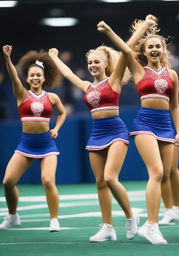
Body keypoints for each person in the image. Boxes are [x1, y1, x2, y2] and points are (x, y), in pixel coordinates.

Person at [48, 21, 139, 243]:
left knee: (110, 177)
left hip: (116, 131)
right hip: (97, 133)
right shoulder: (87, 87)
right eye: (89, 63)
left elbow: (127, 50)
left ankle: (131, 216)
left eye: (96, 61)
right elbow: (69, 74)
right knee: (99, 181)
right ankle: (107, 227)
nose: (92, 65)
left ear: (106, 63)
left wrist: (110, 31)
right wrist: (55, 59)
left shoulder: (114, 80)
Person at [123, 15, 179, 244]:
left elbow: (175, 106)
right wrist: (146, 27)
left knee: (164, 174)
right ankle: (152, 225)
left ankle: (152, 223)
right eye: (150, 47)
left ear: (164, 49)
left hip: (166, 126)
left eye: (158, 46)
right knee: (156, 172)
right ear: (145, 52)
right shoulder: (139, 71)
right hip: (145, 124)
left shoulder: (172, 74)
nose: (155, 49)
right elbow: (127, 48)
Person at [0, 45, 66, 232]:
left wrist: (57, 128)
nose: (35, 77)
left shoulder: (52, 97)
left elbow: (62, 114)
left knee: (47, 180)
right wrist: (7, 58)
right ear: (27, 78)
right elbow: (13, 76)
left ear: (44, 78)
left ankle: (54, 219)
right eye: (32, 75)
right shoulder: (21, 94)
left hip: (46, 144)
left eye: (39, 75)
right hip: (26, 144)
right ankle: (13, 216)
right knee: (8, 182)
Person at [158, 146, 179, 225]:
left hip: (170, 135)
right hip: (155, 134)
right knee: (166, 170)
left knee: (171, 169)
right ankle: (171, 210)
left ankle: (178, 209)